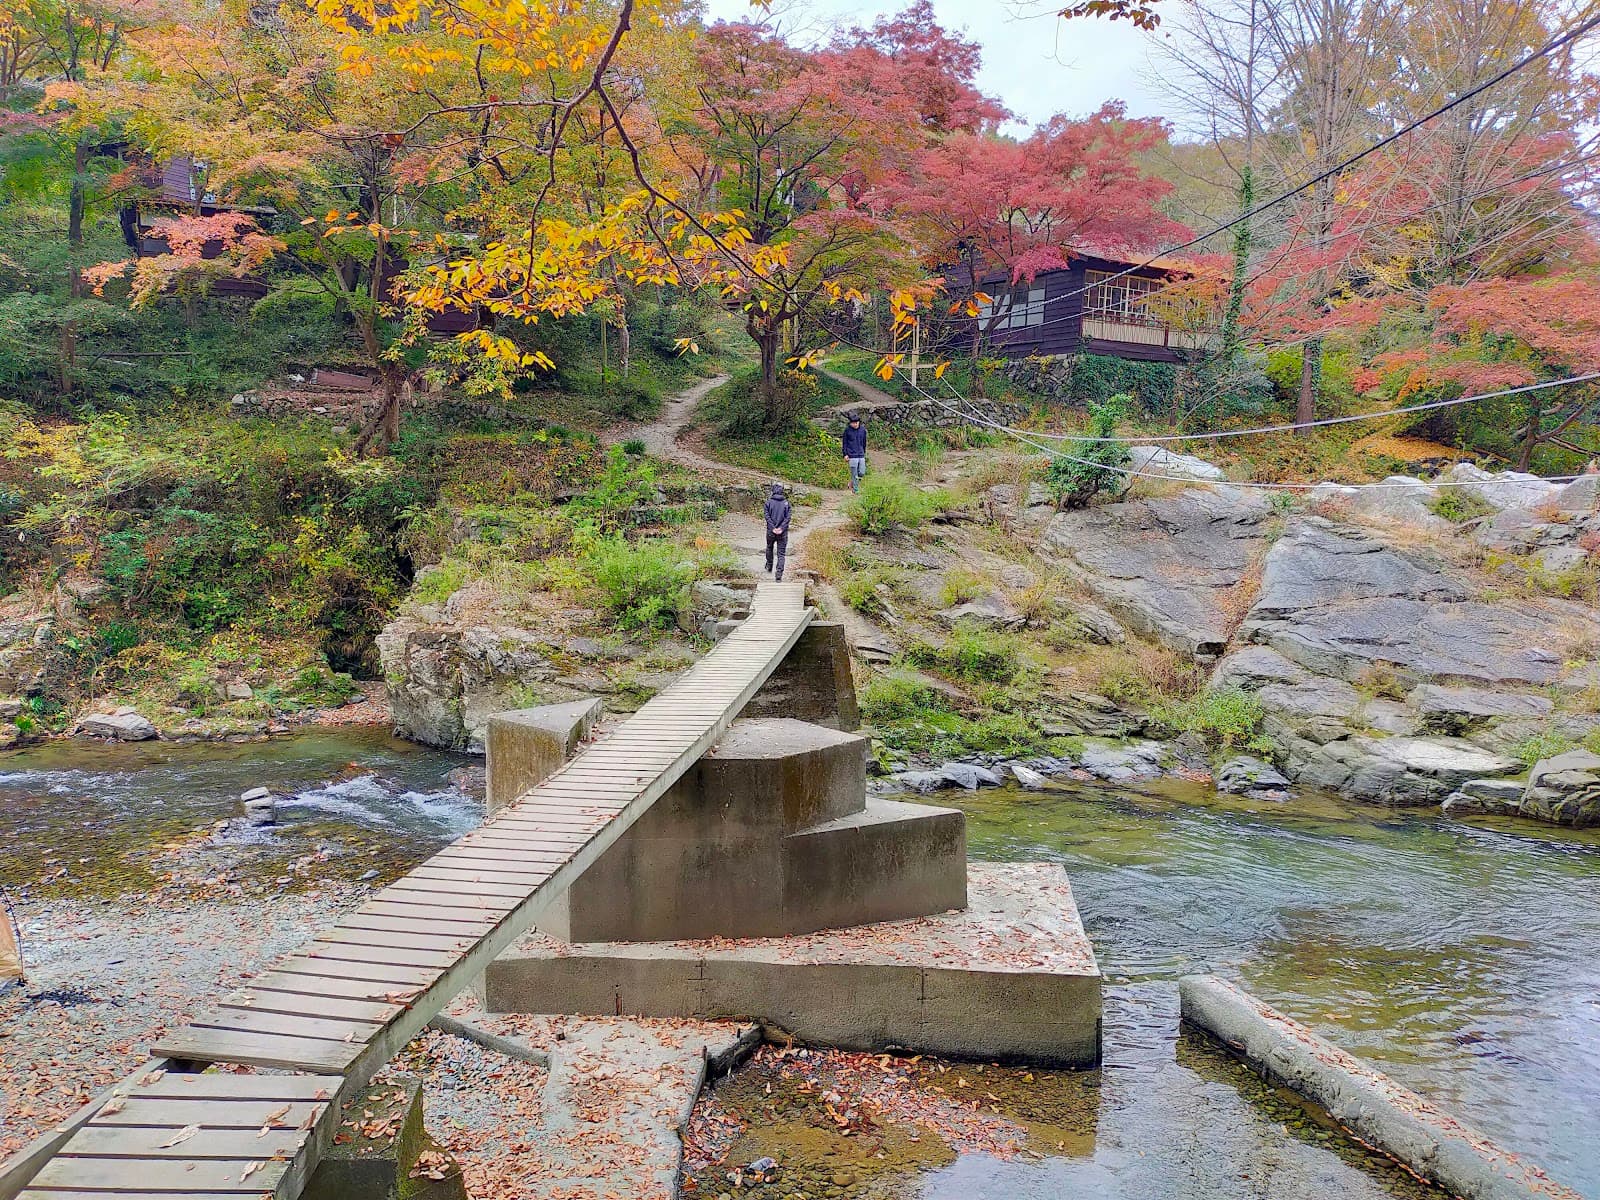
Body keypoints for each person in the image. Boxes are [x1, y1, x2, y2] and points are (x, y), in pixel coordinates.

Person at [764, 482, 791, 582]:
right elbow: (788, 518)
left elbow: (767, 517)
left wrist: (773, 528)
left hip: (771, 532)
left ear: (773, 490)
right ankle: (778, 575)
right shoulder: (787, 503)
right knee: (781, 554)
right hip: (783, 533)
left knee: (769, 547)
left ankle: (769, 565)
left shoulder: (768, 503)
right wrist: (781, 528)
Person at [842, 411, 868, 492]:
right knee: (854, 474)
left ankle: (852, 483)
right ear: (850, 423)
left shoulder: (863, 430)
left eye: (856, 423)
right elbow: (844, 443)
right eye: (853, 423)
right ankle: (855, 490)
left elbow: (864, 442)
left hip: (861, 454)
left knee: (862, 472)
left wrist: (863, 452)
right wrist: (845, 454)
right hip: (851, 455)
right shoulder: (847, 430)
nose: (855, 424)